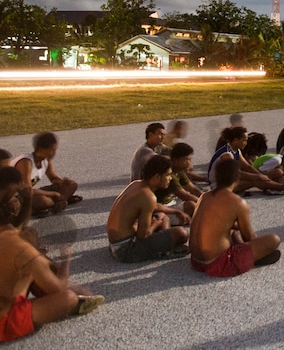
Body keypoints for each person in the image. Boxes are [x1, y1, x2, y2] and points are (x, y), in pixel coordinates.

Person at [0, 167, 104, 342]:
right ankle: (73, 302)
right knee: (67, 298)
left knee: (31, 276)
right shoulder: (20, 246)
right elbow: (59, 289)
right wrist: (66, 260)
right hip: (4, 321)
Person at [189, 158, 281, 277]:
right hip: (218, 262)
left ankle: (246, 252)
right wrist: (259, 248)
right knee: (274, 240)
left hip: (196, 261)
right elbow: (249, 237)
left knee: (233, 231)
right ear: (237, 177)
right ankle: (253, 257)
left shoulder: (204, 196)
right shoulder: (238, 202)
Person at [106, 155, 190, 263]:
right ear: (157, 177)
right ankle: (164, 250)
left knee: (163, 216)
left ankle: (164, 241)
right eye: (168, 175)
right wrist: (155, 224)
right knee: (182, 233)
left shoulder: (136, 184)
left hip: (114, 244)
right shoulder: (149, 197)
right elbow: (143, 235)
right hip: (126, 250)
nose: (170, 178)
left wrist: (176, 211)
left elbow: (155, 206)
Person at [208, 127, 284, 194]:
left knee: (258, 177)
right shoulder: (227, 155)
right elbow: (236, 173)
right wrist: (258, 177)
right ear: (236, 140)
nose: (246, 143)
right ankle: (282, 187)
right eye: (244, 140)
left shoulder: (235, 150)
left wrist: (259, 175)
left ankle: (277, 187)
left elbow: (246, 166)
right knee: (254, 180)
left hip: (228, 180)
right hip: (219, 186)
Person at [13, 132, 80, 218]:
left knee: (72, 184)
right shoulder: (25, 162)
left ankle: (54, 204)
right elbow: (27, 191)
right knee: (42, 200)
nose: (55, 153)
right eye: (52, 150)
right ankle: (57, 203)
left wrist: (62, 182)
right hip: (14, 196)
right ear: (42, 149)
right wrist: (54, 194)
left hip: (30, 193)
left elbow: (53, 178)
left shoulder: (45, 160)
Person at [155, 142, 204, 218]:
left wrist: (208, 197)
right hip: (162, 207)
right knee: (191, 206)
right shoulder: (169, 174)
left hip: (173, 201)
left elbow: (194, 189)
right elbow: (185, 196)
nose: (189, 163)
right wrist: (208, 204)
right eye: (187, 159)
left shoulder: (179, 170)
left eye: (190, 159)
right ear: (175, 160)